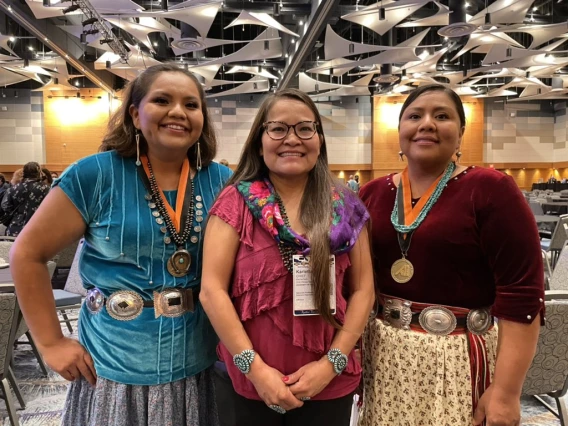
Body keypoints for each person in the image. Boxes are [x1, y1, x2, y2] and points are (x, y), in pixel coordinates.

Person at [9, 63, 231, 425]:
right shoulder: (94, 174)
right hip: (114, 366)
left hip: (197, 361)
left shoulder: (221, 180)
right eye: (162, 100)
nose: (178, 112)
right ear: (134, 113)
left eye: (192, 105)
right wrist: (50, 342)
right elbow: (27, 254)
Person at [358, 84, 544, 426]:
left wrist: (506, 392)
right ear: (400, 133)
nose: (427, 123)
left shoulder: (490, 190)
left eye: (441, 116)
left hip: (459, 359)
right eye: (415, 116)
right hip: (386, 358)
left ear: (459, 134)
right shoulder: (372, 193)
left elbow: (522, 295)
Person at [200, 88, 374, 426]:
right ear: (259, 140)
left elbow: (364, 290)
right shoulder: (235, 202)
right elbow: (212, 290)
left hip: (330, 382)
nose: (292, 139)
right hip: (250, 382)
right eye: (278, 128)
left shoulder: (346, 206)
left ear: (319, 140)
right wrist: (257, 371)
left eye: (305, 128)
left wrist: (332, 364)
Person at [1, 162, 49, 236]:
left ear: (24, 173)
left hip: (15, 228)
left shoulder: (13, 188)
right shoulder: (45, 189)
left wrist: (18, 213)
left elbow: (5, 205)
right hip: (38, 228)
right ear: (39, 172)